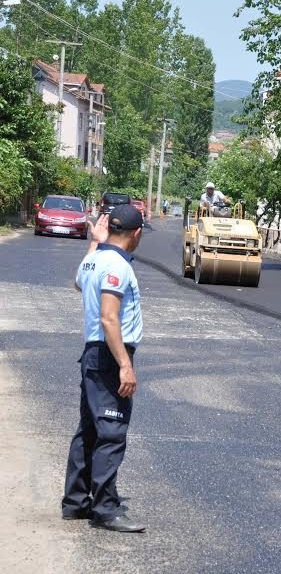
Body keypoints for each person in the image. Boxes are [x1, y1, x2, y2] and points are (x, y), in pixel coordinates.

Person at [62, 205, 146, 533]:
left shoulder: (95, 258)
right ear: (136, 234)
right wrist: (125, 365)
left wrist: (95, 243)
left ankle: (76, 502)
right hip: (110, 355)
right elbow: (109, 318)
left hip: (93, 354)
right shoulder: (117, 267)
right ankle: (106, 509)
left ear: (109, 228)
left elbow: (81, 283)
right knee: (111, 432)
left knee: (89, 430)